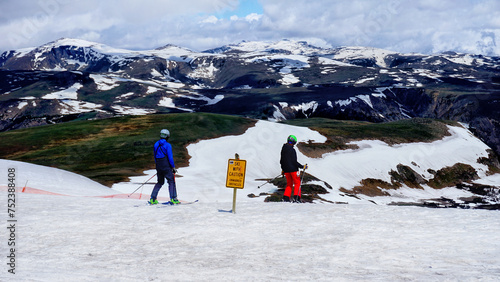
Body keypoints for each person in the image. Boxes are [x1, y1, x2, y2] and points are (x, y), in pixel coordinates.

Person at [150, 129, 179, 205]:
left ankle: (153, 199)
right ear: (167, 136)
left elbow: (155, 156)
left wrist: (158, 166)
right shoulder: (167, 145)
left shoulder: (156, 144)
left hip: (159, 166)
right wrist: (173, 167)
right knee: (171, 181)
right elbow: (170, 158)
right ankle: (173, 198)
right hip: (166, 166)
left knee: (160, 182)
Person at [280, 135, 308, 203]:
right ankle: (297, 198)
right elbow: (294, 162)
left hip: (286, 170)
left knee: (289, 184)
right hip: (293, 170)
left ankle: (286, 198)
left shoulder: (283, 149)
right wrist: (302, 166)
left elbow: (281, 161)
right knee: (297, 183)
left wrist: (283, 169)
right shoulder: (292, 150)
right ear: (294, 142)